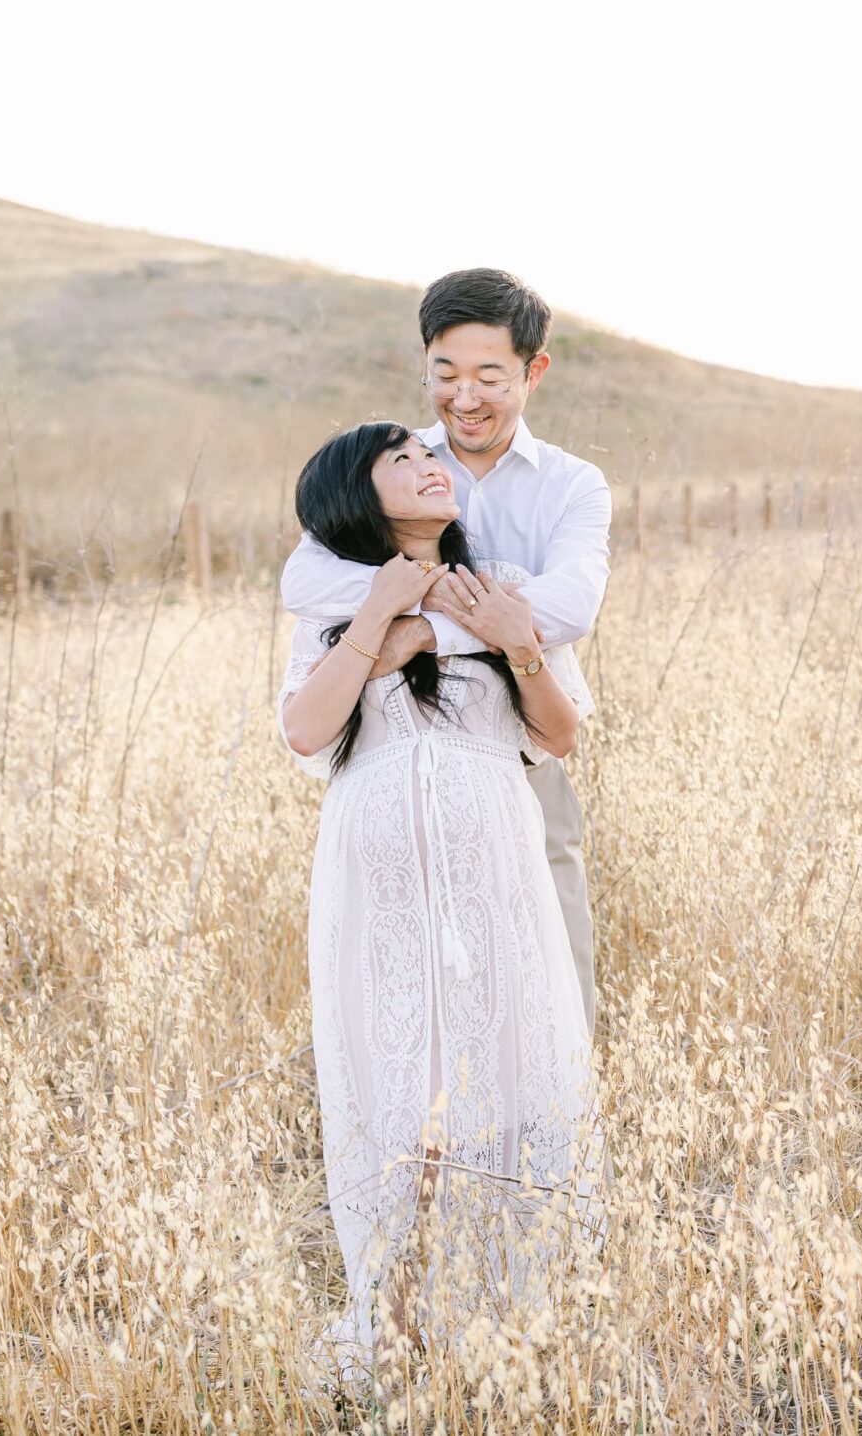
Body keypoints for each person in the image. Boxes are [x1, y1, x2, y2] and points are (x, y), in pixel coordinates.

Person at [278, 421, 606, 1380]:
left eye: (433, 458)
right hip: (373, 880)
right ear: (357, 493)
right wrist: (380, 616)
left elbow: (560, 734)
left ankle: (521, 1308)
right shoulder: (335, 602)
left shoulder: (497, 587)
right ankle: (402, 1313)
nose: (432, 465)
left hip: (493, 869)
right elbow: (305, 729)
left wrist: (518, 645)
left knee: (505, 1061)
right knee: (398, 1074)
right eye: (404, 461)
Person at [280, 268, 612, 1037]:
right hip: (398, 762)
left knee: (551, 969)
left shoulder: (571, 484)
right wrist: (408, 595)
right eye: (445, 374)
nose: (464, 398)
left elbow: (569, 606)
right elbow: (306, 577)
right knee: (403, 987)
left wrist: (434, 629)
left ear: (533, 372)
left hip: (517, 750)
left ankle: (546, 1140)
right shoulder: (386, 464)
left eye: (489, 376)